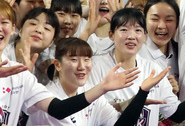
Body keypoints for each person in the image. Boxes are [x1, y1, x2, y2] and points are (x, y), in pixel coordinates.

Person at [0, 0, 141, 126]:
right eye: (74, 59)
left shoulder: (23, 75)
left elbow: (59, 109)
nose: (81, 66)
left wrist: (105, 88)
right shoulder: (43, 82)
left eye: (4, 22)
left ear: (13, 28)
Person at [88, 8, 185, 126]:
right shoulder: (96, 66)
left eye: (138, 30)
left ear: (145, 36)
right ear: (111, 34)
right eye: (124, 30)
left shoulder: (153, 70)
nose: (131, 36)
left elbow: (176, 114)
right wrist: (131, 102)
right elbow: (90, 113)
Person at [28, 37, 171, 126]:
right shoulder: (47, 95)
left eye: (86, 59)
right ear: (57, 65)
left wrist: (142, 93)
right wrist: (103, 87)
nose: (82, 66)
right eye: (73, 59)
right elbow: (60, 110)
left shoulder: (91, 92)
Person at [138, 0, 180, 94]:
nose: (161, 26)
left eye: (169, 20)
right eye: (155, 19)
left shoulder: (181, 52)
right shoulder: (136, 53)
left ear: (177, 24)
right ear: (144, 21)